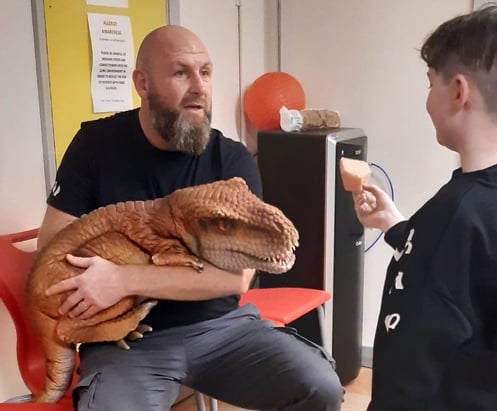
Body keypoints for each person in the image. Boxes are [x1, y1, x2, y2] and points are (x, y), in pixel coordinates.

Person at [37, 25, 343, 411]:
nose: (199, 87)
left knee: (319, 386)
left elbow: (233, 277)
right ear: (142, 83)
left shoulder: (231, 160)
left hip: (222, 331)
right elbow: (52, 247)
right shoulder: (94, 147)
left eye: (206, 72)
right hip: (128, 343)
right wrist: (175, 275)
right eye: (181, 73)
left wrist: (121, 279)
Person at [351, 4, 497, 410]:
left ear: (458, 91)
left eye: (430, 83)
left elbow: (409, 368)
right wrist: (395, 224)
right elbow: (466, 275)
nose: (427, 99)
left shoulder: (457, 212)